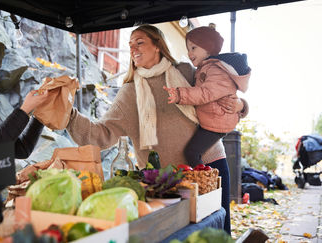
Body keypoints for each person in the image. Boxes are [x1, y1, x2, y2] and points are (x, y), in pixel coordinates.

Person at [65, 24, 247, 234]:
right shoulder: (130, 92)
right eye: (130, 45)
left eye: (139, 42)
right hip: (165, 184)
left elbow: (219, 92)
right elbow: (101, 136)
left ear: (158, 46)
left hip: (207, 168)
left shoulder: (186, 71)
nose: (133, 49)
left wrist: (241, 106)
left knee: (219, 232)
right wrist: (68, 116)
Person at [163, 25, 251, 167]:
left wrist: (180, 94)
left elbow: (206, 93)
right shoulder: (205, 67)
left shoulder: (216, 69)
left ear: (208, 48)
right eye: (188, 49)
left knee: (191, 152)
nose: (189, 53)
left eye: (193, 48)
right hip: (213, 118)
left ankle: (204, 177)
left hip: (218, 120)